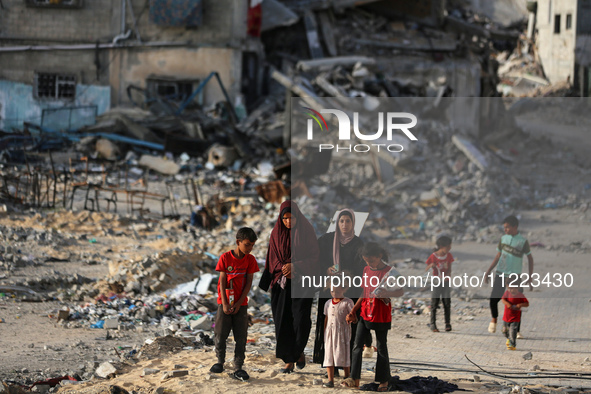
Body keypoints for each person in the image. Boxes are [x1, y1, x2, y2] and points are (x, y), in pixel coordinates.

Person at [265, 200, 320, 373]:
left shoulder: (307, 231)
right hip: (281, 284)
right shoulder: (276, 233)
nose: (289, 222)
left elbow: (315, 256)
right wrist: (283, 268)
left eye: (292, 218)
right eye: (285, 219)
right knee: (283, 321)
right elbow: (271, 258)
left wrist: (296, 266)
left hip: (302, 282)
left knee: (301, 320)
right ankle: (289, 359)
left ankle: (298, 352)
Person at [313, 209, 371, 366]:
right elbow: (316, 258)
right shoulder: (326, 240)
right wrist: (326, 269)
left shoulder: (358, 244)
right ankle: (329, 363)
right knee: (328, 325)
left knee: (346, 328)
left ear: (353, 223)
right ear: (337, 223)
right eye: (342, 221)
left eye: (348, 221)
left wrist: (349, 275)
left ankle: (345, 362)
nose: (345, 224)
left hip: (349, 291)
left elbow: (362, 267)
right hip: (329, 290)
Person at [343, 242, 404, 390]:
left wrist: (387, 293)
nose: (370, 263)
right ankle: (354, 378)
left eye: (372, 260)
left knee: (382, 347)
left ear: (380, 256)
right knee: (357, 346)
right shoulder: (366, 270)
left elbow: (400, 291)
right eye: (366, 261)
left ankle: (383, 380)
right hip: (365, 312)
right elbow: (364, 293)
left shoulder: (390, 272)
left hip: (381, 314)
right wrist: (353, 310)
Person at [210, 227, 259, 380]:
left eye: (252, 245)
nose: (250, 248)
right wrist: (225, 303)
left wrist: (238, 303)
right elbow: (222, 280)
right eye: (247, 244)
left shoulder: (250, 260)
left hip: (241, 304)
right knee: (220, 333)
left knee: (241, 336)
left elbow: (249, 282)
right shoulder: (225, 258)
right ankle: (220, 361)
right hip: (224, 302)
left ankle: (238, 365)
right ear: (238, 242)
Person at [485, 215, 534, 337]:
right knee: (493, 299)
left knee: (516, 303)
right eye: (504, 228)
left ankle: (516, 330)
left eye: (507, 227)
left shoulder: (523, 241)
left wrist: (530, 277)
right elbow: (498, 256)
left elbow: (530, 258)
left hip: (515, 277)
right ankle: (494, 319)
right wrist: (489, 271)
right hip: (501, 273)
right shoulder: (503, 239)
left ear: (514, 227)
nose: (505, 230)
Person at [323, 282, 355, 388]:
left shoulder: (348, 302)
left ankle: (347, 376)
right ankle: (330, 380)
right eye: (332, 291)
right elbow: (326, 318)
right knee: (329, 354)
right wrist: (324, 332)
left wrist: (351, 318)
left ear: (344, 289)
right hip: (329, 332)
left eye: (338, 291)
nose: (335, 293)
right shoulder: (328, 303)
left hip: (342, 333)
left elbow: (354, 318)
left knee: (343, 353)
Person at [425, 236, 454, 332]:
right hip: (436, 282)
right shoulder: (433, 256)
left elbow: (449, 268)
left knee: (447, 302)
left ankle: (447, 324)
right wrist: (431, 265)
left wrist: (448, 275)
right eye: (448, 247)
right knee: (434, 303)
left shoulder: (449, 256)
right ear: (441, 246)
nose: (449, 248)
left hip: (445, 282)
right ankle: (433, 324)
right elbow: (426, 268)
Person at [501, 285, 529, 350]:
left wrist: (520, 305)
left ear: (517, 288)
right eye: (509, 288)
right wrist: (507, 304)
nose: (511, 290)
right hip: (506, 317)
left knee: (513, 331)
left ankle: (512, 344)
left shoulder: (520, 295)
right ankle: (508, 338)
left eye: (512, 288)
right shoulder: (507, 293)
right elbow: (503, 299)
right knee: (504, 331)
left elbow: (527, 304)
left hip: (515, 317)